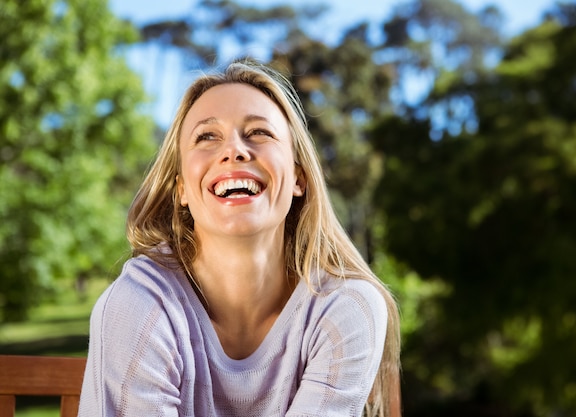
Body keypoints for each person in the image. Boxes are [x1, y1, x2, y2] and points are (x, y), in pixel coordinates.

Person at [78, 60, 401, 417]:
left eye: (259, 132)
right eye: (207, 136)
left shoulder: (347, 308)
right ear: (182, 188)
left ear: (298, 178)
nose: (234, 150)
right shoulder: (136, 305)